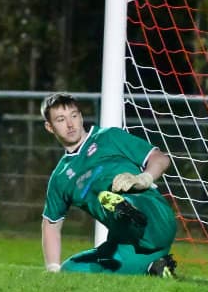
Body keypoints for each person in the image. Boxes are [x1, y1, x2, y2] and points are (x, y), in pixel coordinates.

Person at [40, 92, 178, 277]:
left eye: (74, 116)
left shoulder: (109, 137)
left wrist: (143, 179)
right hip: (129, 244)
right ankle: (155, 267)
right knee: (70, 270)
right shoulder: (60, 177)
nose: (70, 124)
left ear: (81, 117)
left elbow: (160, 158)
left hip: (156, 219)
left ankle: (126, 208)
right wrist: (53, 268)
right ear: (49, 127)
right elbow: (51, 224)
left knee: (126, 200)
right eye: (61, 119)